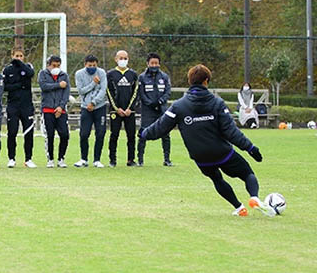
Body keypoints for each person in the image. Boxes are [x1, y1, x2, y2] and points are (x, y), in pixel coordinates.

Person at [140, 64, 276, 217]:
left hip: (200, 156)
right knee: (247, 173)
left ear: (190, 81)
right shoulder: (217, 103)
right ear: (206, 81)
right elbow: (231, 132)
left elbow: (160, 127)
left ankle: (239, 208)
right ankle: (254, 198)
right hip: (222, 152)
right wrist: (250, 148)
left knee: (216, 178)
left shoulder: (178, 106)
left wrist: (144, 133)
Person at [137, 52, 172, 167]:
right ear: (147, 64)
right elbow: (141, 94)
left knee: (165, 134)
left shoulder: (164, 77)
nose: (154, 65)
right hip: (147, 110)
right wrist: (150, 103)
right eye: (152, 63)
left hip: (162, 109)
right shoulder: (142, 77)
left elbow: (167, 92)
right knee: (143, 133)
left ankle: (167, 159)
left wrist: (160, 102)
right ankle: (140, 160)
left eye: (156, 63)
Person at [3, 48, 36, 168]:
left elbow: (31, 74)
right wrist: (18, 85)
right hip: (13, 105)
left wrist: (21, 64)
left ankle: (28, 159)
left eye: (21, 56)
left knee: (28, 132)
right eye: (16, 56)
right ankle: (11, 158)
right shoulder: (7, 69)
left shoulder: (27, 67)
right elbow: (5, 86)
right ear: (12, 56)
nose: (19, 58)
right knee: (12, 132)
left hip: (26, 105)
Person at [74, 54, 108, 168]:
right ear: (85, 64)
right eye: (90, 65)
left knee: (100, 133)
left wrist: (94, 102)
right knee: (84, 134)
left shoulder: (102, 73)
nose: (92, 67)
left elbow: (103, 90)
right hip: (85, 108)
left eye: (94, 65)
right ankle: (84, 159)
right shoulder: (79, 74)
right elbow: (81, 90)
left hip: (100, 107)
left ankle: (97, 160)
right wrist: (93, 83)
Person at [106, 50, 139, 167]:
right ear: (116, 59)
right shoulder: (110, 74)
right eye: (121, 58)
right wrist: (117, 108)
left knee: (131, 136)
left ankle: (131, 160)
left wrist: (130, 108)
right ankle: (112, 160)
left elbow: (136, 92)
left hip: (130, 112)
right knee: (114, 135)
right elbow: (108, 92)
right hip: (116, 111)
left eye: (125, 58)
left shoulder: (133, 74)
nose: (123, 60)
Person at [38, 55, 70, 168]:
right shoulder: (43, 74)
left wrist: (61, 107)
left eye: (58, 65)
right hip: (47, 109)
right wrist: (58, 85)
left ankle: (61, 158)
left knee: (64, 135)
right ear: (48, 65)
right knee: (49, 135)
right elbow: (44, 86)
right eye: (53, 65)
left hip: (61, 111)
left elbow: (66, 92)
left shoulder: (64, 76)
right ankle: (50, 159)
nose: (56, 67)